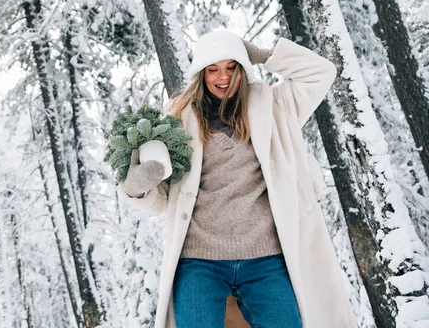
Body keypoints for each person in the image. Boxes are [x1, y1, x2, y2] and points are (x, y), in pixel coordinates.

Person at [117, 30, 357, 328]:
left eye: (232, 67)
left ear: (243, 68)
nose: (223, 77)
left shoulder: (275, 106)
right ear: (201, 74)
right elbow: (165, 198)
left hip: (267, 259)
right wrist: (138, 188)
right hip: (199, 262)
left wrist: (264, 55)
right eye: (213, 69)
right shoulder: (177, 120)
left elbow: (322, 73)